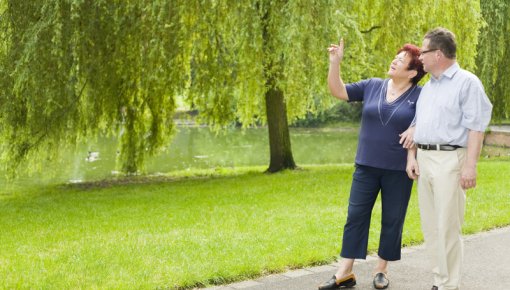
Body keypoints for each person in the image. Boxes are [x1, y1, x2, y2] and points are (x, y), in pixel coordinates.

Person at [319, 39, 425, 290]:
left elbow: (429, 119)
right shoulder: (372, 85)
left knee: (392, 219)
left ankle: (381, 270)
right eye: (396, 56)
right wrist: (335, 63)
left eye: (401, 60)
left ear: (412, 72)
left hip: (398, 169)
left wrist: (416, 127)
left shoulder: (420, 95)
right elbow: (339, 91)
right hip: (366, 165)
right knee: (355, 216)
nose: (395, 60)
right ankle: (345, 272)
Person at [406, 27, 492, 290]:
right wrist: (413, 156)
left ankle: (449, 285)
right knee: (431, 227)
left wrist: (470, 166)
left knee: (448, 226)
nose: (419, 57)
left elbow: (476, 127)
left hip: (450, 161)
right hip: (425, 160)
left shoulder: (467, 82)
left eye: (424, 51)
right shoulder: (428, 87)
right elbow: (417, 125)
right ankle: (439, 280)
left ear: (439, 54)